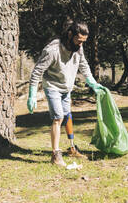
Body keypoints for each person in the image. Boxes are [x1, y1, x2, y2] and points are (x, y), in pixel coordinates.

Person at [27, 20, 105, 166]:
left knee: (67, 114)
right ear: (70, 34)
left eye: (83, 41)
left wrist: (92, 83)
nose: (81, 44)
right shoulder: (53, 50)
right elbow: (37, 71)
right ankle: (55, 155)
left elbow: (84, 65)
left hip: (66, 88)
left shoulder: (78, 48)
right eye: (79, 40)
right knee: (58, 117)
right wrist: (32, 94)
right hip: (52, 86)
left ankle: (71, 148)